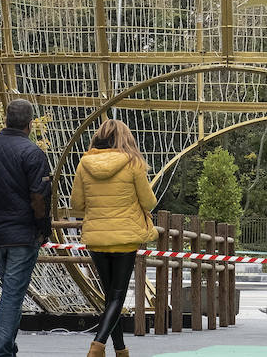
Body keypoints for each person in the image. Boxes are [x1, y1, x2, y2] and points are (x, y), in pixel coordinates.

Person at [0, 99, 51, 357]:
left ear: (5, 119)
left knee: (10, 290)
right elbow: (40, 198)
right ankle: (3, 351)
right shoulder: (33, 153)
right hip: (23, 235)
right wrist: (43, 229)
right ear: (30, 124)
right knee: (12, 295)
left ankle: (9, 348)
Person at [71, 119, 157, 357]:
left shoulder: (84, 163)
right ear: (125, 139)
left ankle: (120, 350)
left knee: (110, 296)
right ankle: (97, 347)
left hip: (97, 239)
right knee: (118, 296)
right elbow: (149, 202)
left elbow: (76, 205)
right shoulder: (133, 163)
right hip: (125, 238)